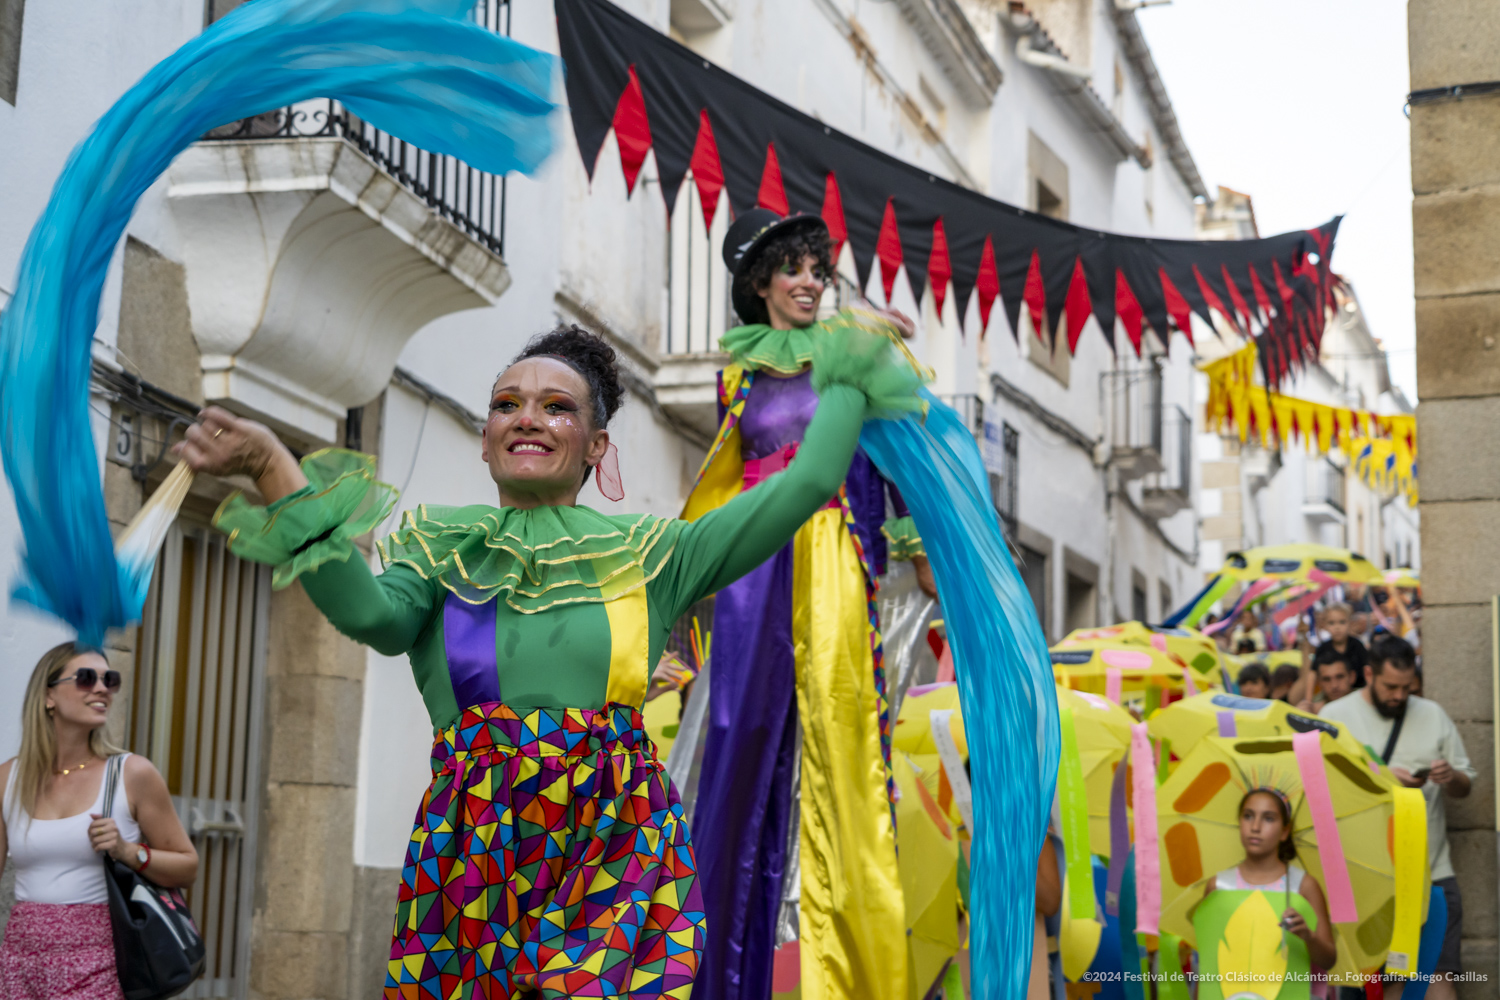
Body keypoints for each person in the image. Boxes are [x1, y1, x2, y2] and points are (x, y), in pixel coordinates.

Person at [177, 320, 922, 999]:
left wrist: (852, 371)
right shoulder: (441, 549)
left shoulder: (655, 554)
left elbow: (808, 484)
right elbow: (367, 615)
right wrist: (273, 465)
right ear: (486, 436)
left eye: (558, 407)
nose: (528, 417)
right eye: (508, 404)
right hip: (474, 849)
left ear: (598, 446)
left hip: (615, 840)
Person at [681, 209, 929, 1000]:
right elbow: (720, 485)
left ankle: (854, 979)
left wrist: (922, 555)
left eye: (817, 270)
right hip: (756, 560)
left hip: (831, 553)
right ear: (760, 284)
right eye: (793, 268)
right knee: (734, 737)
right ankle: (710, 975)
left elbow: (902, 462)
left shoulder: (852, 355)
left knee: (845, 745)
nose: (810, 281)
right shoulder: (740, 376)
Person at [0, 644, 198, 1000]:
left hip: (99, 961)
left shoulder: (131, 773)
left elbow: (187, 867)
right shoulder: (9, 778)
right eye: (86, 678)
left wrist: (127, 850)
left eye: (110, 679)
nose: (102, 688)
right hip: (19, 961)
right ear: (48, 696)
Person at [1320, 636, 1473, 999]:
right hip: (1365, 881)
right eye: (1390, 686)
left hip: (1432, 875)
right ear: (1369, 674)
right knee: (1386, 983)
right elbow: (1318, 792)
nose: (1399, 696)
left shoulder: (1432, 714)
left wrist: (1452, 777)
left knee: (1439, 977)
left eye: (1407, 688)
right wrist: (1384, 777)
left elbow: (1466, 785)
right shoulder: (1333, 718)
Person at [1190, 788, 1337, 1000]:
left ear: (1285, 831)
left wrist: (1308, 936)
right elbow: (1209, 959)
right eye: (1248, 816)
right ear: (1239, 822)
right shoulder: (1218, 886)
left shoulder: (1303, 887)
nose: (1256, 827)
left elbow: (1329, 959)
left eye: (1269, 818)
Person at [1315, 603, 1367, 689]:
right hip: (1331, 692)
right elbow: (1313, 673)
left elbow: (1367, 669)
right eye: (1332, 623)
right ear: (1324, 625)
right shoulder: (1322, 648)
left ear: (1350, 623)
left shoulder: (1357, 646)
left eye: (1342, 622)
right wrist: (1308, 699)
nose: (1337, 627)